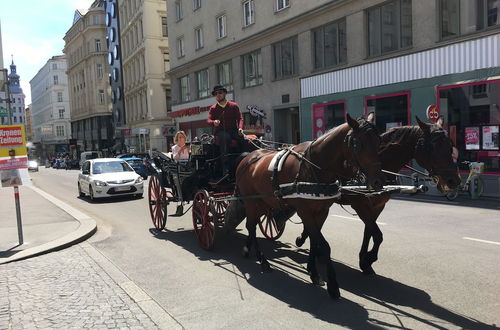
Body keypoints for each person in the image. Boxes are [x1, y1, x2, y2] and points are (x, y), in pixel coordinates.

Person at [207, 85, 244, 175]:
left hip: (233, 130)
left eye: (220, 93)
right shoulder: (213, 108)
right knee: (225, 138)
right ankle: (225, 168)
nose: (218, 95)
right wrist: (214, 122)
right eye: (216, 94)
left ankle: (244, 160)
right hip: (220, 132)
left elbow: (240, 118)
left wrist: (240, 128)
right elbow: (208, 120)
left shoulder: (233, 106)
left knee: (243, 138)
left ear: (224, 94)